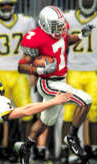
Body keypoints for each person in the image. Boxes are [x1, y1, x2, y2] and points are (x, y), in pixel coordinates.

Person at [16, 5, 93, 164]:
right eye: (55, 26)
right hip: (48, 83)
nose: (59, 29)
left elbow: (66, 41)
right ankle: (71, 136)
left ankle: (26, 146)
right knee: (86, 100)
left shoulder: (60, 32)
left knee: (46, 121)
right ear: (44, 25)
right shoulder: (36, 38)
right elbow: (21, 66)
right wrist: (38, 69)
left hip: (61, 81)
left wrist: (81, 35)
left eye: (60, 25)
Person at [0, 0, 36, 154]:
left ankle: (26, 149)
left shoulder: (25, 22)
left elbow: (33, 48)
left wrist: (33, 71)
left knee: (27, 114)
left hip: (20, 73)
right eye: (3, 4)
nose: (6, 7)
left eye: (9, 4)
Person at [61, 0, 97, 162]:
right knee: (69, 113)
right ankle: (67, 150)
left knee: (94, 113)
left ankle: (94, 149)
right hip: (73, 70)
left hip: (93, 72)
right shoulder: (68, 18)